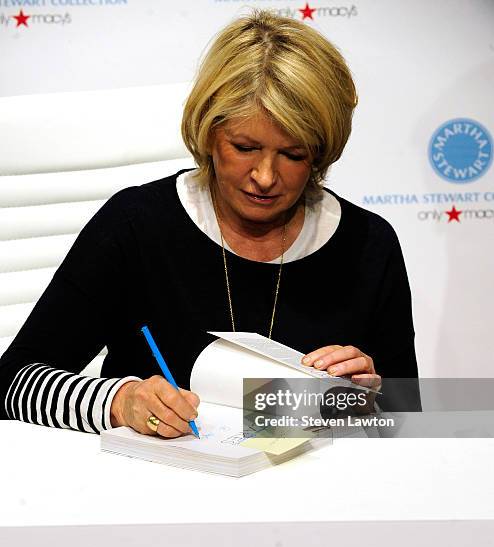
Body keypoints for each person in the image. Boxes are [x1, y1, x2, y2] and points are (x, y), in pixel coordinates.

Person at [0, 10, 419, 438]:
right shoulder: (135, 225)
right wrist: (118, 402)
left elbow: (409, 420)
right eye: (244, 147)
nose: (265, 176)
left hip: (311, 494)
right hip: (155, 489)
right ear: (209, 132)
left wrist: (372, 400)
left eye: (293, 155)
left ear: (320, 153)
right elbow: (11, 383)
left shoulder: (368, 243)